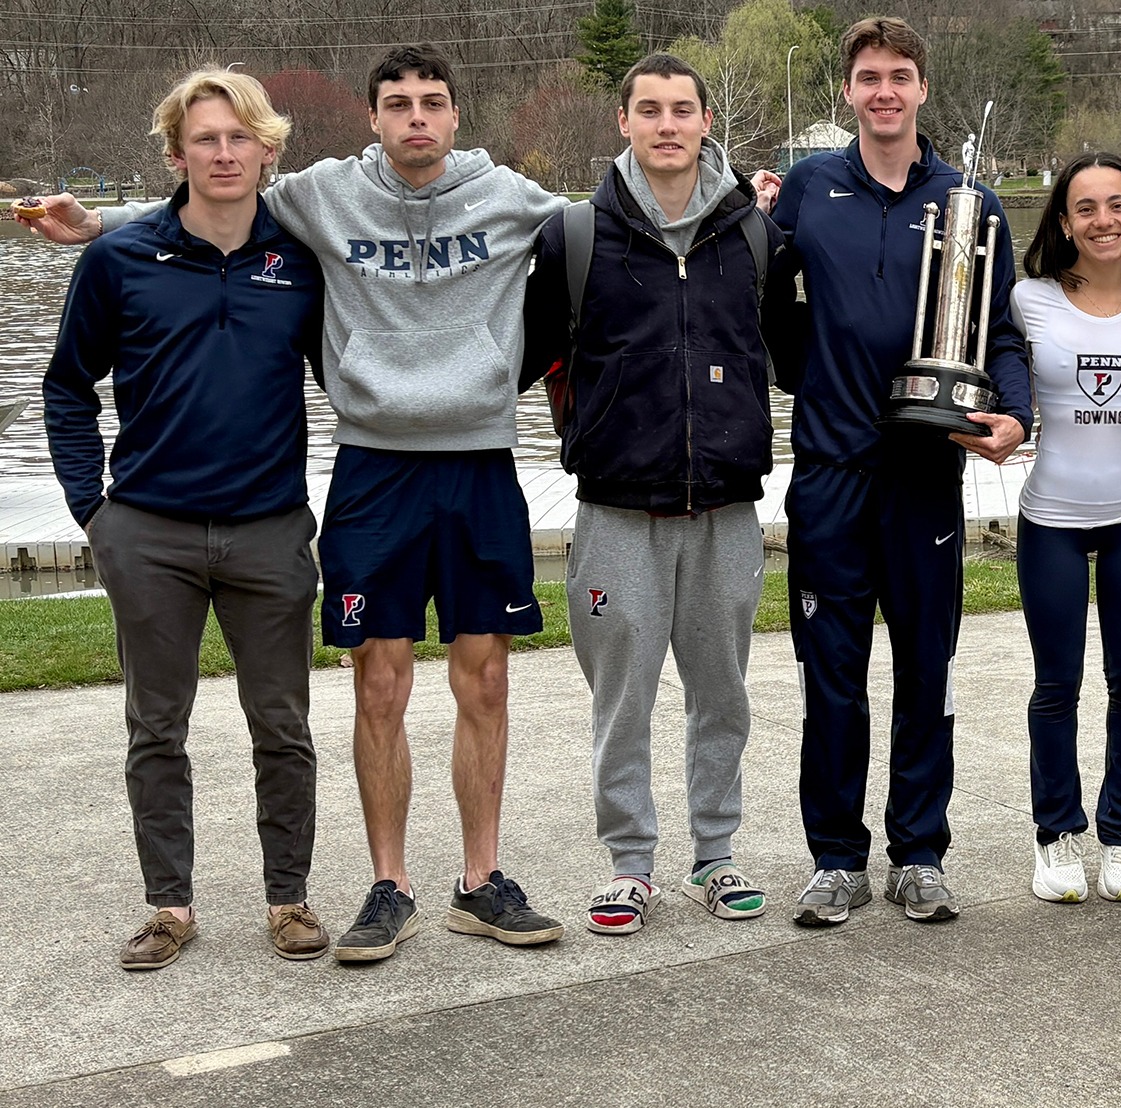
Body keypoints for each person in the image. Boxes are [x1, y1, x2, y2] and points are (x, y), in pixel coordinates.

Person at [24, 44, 578, 960]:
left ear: (453, 115)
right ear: (371, 116)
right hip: (356, 472)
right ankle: (360, 887)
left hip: (459, 469)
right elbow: (195, 215)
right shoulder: (318, 197)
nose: (415, 118)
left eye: (432, 102)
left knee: (470, 680)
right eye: (397, 103)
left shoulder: (508, 197)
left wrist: (745, 200)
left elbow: (622, 220)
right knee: (364, 683)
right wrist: (96, 224)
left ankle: (464, 884)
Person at [41, 68, 325, 970]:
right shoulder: (118, 258)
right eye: (206, 137)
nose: (225, 151)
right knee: (155, 729)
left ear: (268, 150)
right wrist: (96, 511)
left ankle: (289, 898)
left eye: (241, 136)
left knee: (281, 727)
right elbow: (65, 390)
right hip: (149, 532)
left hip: (270, 530)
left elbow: (357, 378)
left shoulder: (302, 257)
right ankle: (170, 905)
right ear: (177, 153)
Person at [770, 17, 1033, 926]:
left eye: (901, 76)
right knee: (830, 673)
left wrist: (1015, 412)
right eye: (869, 77)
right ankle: (836, 856)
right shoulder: (807, 189)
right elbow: (764, 305)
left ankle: (919, 851)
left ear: (923, 89)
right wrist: (811, 380)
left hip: (926, 474)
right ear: (848, 90)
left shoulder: (972, 202)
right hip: (831, 473)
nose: (885, 91)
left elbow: (1002, 332)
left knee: (928, 669)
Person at [522, 53, 790, 934]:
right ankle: (629, 862)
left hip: (723, 506)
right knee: (622, 696)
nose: (667, 123)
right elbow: (514, 361)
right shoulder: (572, 236)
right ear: (623, 123)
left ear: (707, 121)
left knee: (721, 693)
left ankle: (715, 854)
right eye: (650, 109)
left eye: (682, 109)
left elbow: (792, 358)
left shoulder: (751, 236)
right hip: (614, 510)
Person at [1011, 153, 1121, 904]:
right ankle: (1055, 835)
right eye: (1085, 207)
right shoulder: (1027, 298)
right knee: (1056, 684)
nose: (1103, 220)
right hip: (1050, 514)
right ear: (1062, 220)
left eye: (1117, 204)